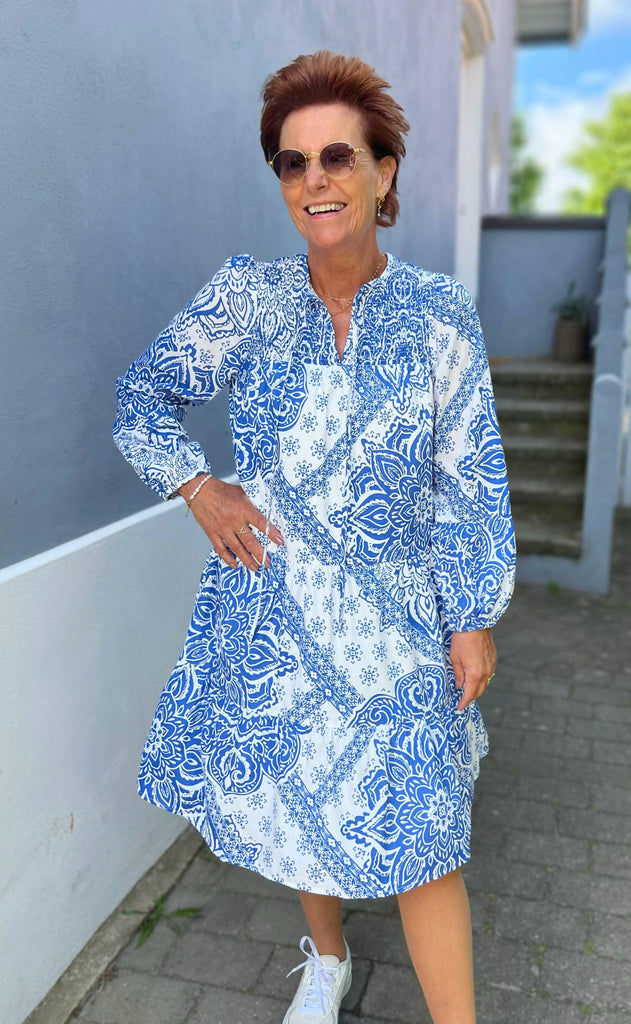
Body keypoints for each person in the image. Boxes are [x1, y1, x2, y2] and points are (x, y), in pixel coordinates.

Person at [113, 50, 515, 1024]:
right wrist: (199, 487)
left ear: (383, 172)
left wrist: (470, 613)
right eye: (292, 163)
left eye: (338, 156)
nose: (314, 180)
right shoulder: (247, 301)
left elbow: (468, 471)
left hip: (401, 615)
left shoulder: (437, 315)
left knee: (426, 838)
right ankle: (327, 961)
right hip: (276, 614)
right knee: (303, 806)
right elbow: (141, 399)